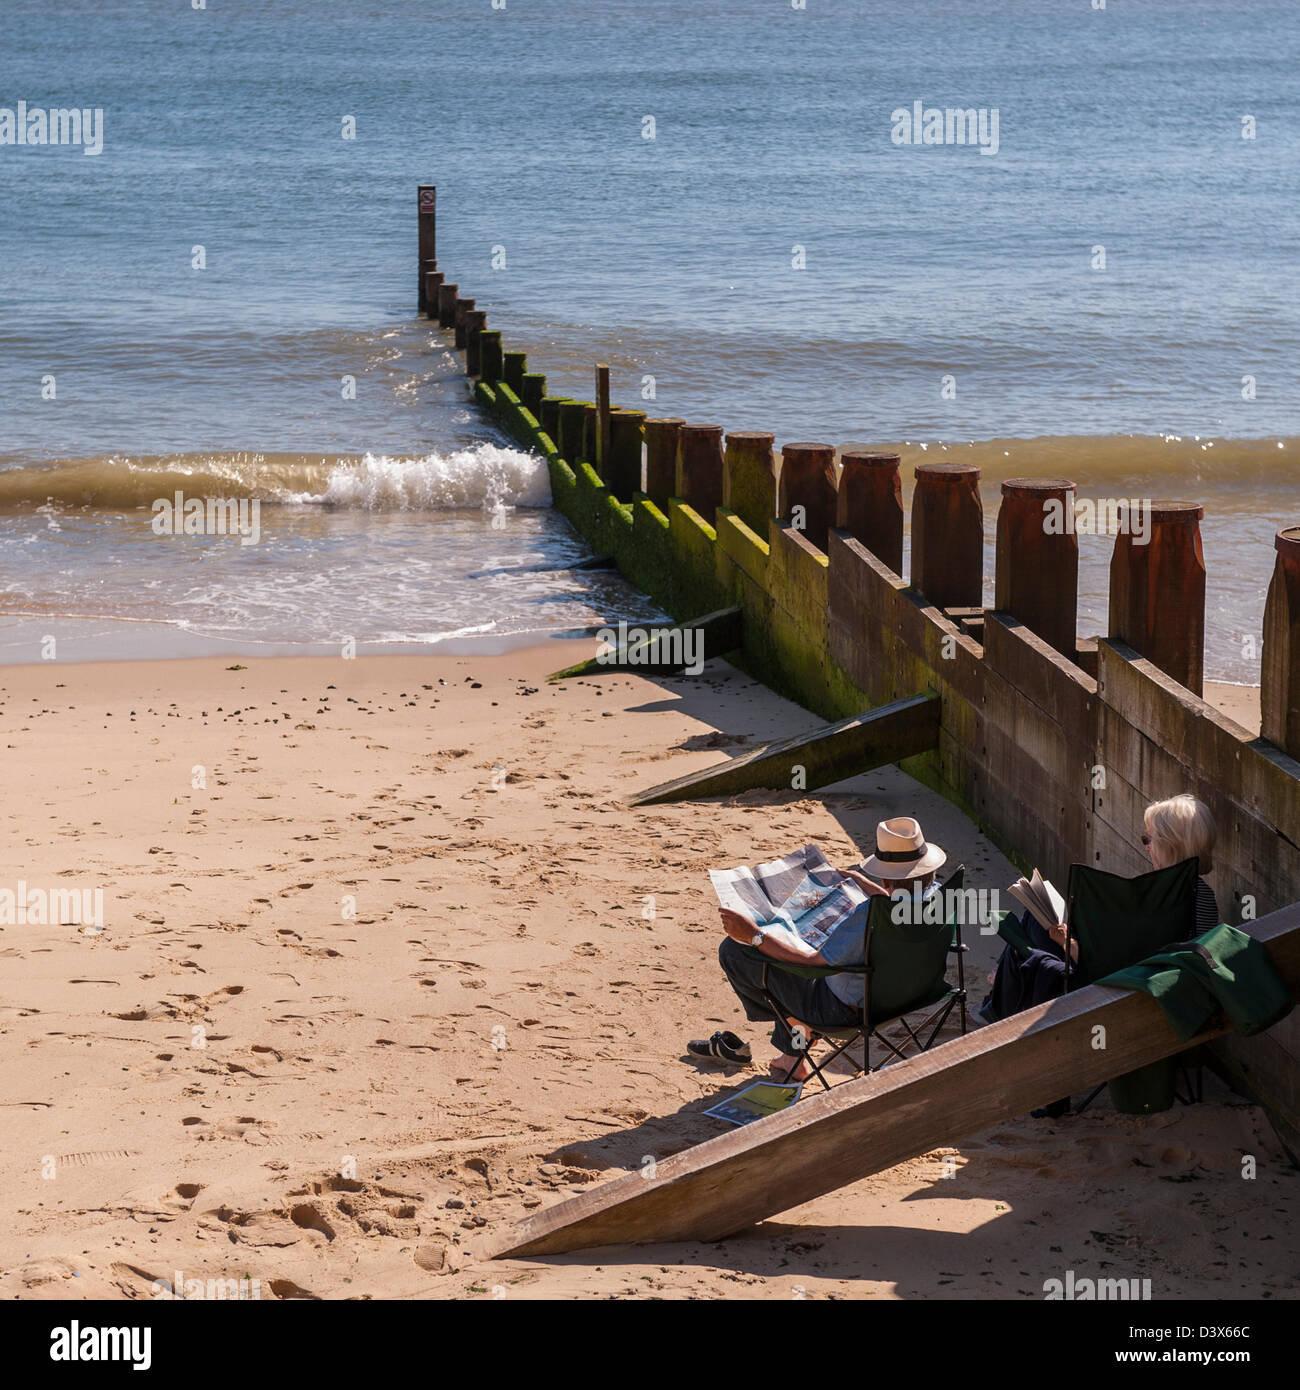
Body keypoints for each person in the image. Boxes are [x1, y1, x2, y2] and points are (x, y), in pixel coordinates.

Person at [696, 818, 946, 1082]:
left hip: (843, 1012)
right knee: (786, 960)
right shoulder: (939, 898)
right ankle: (793, 1055)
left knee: (737, 953)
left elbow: (813, 962)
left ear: (885, 877)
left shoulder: (870, 915)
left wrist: (755, 936)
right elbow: (897, 904)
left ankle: (798, 1027)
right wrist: (858, 881)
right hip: (913, 995)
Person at [980, 793, 1219, 1017]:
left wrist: (1068, 944)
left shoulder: (1152, 899)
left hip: (1111, 990)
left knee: (1027, 936)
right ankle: (1001, 978)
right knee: (1034, 919)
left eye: (1149, 839)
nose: (1146, 847)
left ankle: (998, 995)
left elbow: (1113, 964)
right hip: (1144, 981)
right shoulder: (1201, 898)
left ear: (1170, 846)